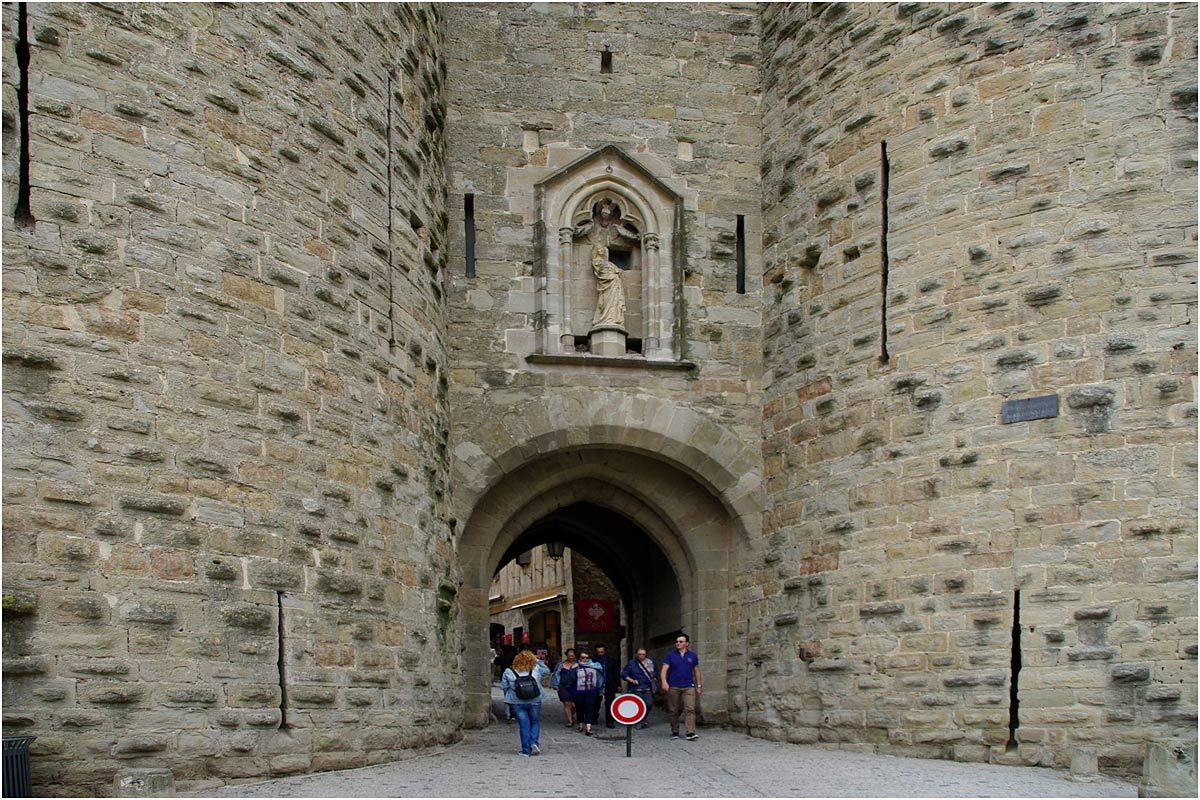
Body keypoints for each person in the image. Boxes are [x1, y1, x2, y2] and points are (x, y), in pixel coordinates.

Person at [500, 650, 550, 757]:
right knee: (535, 722)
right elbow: (547, 670)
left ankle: (525, 750)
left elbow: (504, 686)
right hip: (534, 700)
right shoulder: (536, 669)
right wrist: (538, 661)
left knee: (524, 725)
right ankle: (534, 743)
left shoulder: (509, 671)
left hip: (517, 702)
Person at [660, 633, 701, 741]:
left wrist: (699, 685)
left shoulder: (692, 656)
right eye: (677, 641)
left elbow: (696, 671)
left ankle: (690, 732)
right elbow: (664, 669)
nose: (678, 643)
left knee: (690, 709)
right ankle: (675, 730)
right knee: (674, 710)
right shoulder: (670, 655)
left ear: (686, 643)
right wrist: (664, 682)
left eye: (681, 641)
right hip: (673, 686)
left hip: (688, 686)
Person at [621, 647, 656, 729]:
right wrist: (632, 680)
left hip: (647, 687)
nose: (642, 656)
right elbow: (624, 674)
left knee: (649, 704)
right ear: (636, 654)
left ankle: (643, 719)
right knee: (639, 705)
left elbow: (655, 672)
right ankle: (640, 721)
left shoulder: (650, 662)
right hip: (636, 688)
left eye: (643, 654)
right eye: (640, 654)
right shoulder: (632, 663)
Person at [571, 649, 604, 736]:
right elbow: (571, 679)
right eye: (583, 657)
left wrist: (600, 690)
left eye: (587, 657)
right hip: (578, 691)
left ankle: (588, 727)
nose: (585, 659)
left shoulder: (596, 666)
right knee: (579, 708)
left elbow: (600, 679)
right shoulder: (576, 667)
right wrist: (572, 669)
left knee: (590, 708)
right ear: (579, 658)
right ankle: (580, 724)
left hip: (591, 691)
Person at [593, 642, 621, 728]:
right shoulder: (592, 661)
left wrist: (618, 685)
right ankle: (594, 718)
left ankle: (610, 721)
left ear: (605, 651)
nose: (600, 654)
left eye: (602, 652)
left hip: (610, 684)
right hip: (597, 685)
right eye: (599, 652)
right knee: (595, 703)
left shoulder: (612, 661)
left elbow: (616, 673)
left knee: (610, 704)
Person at [551, 648, 579, 727]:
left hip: (575, 686)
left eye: (572, 656)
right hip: (563, 686)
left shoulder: (579, 665)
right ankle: (570, 721)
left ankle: (572, 715)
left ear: (575, 656)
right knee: (567, 703)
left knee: (574, 705)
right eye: (569, 656)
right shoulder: (560, 665)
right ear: (566, 655)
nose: (571, 657)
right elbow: (555, 675)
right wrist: (556, 685)